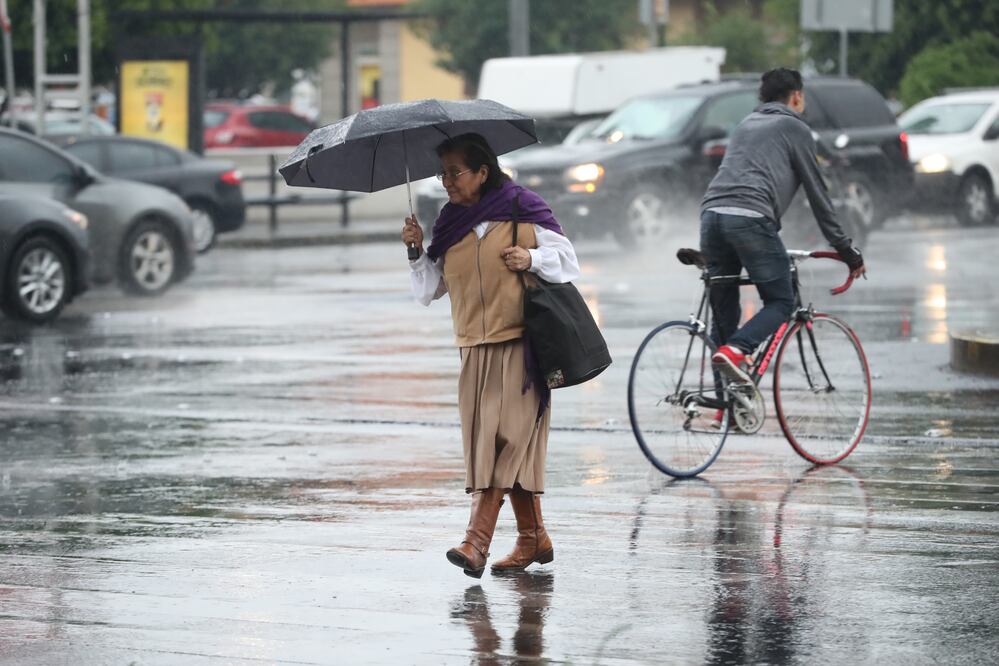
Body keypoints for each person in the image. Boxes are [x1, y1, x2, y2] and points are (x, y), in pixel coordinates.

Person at [401, 133, 580, 578]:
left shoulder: (523, 207)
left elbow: (567, 262)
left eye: (454, 172)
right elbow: (430, 289)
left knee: (507, 441)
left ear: (483, 171)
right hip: (473, 350)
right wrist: (415, 250)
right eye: (442, 173)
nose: (446, 181)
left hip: (523, 347)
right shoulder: (449, 223)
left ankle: (476, 541)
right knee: (489, 447)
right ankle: (533, 538)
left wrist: (532, 259)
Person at [700, 68, 866, 384]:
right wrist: (846, 249)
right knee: (781, 301)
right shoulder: (794, 126)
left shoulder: (745, 125)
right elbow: (818, 194)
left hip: (710, 217)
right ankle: (738, 350)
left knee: (723, 319)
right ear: (797, 96)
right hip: (750, 219)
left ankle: (726, 409)